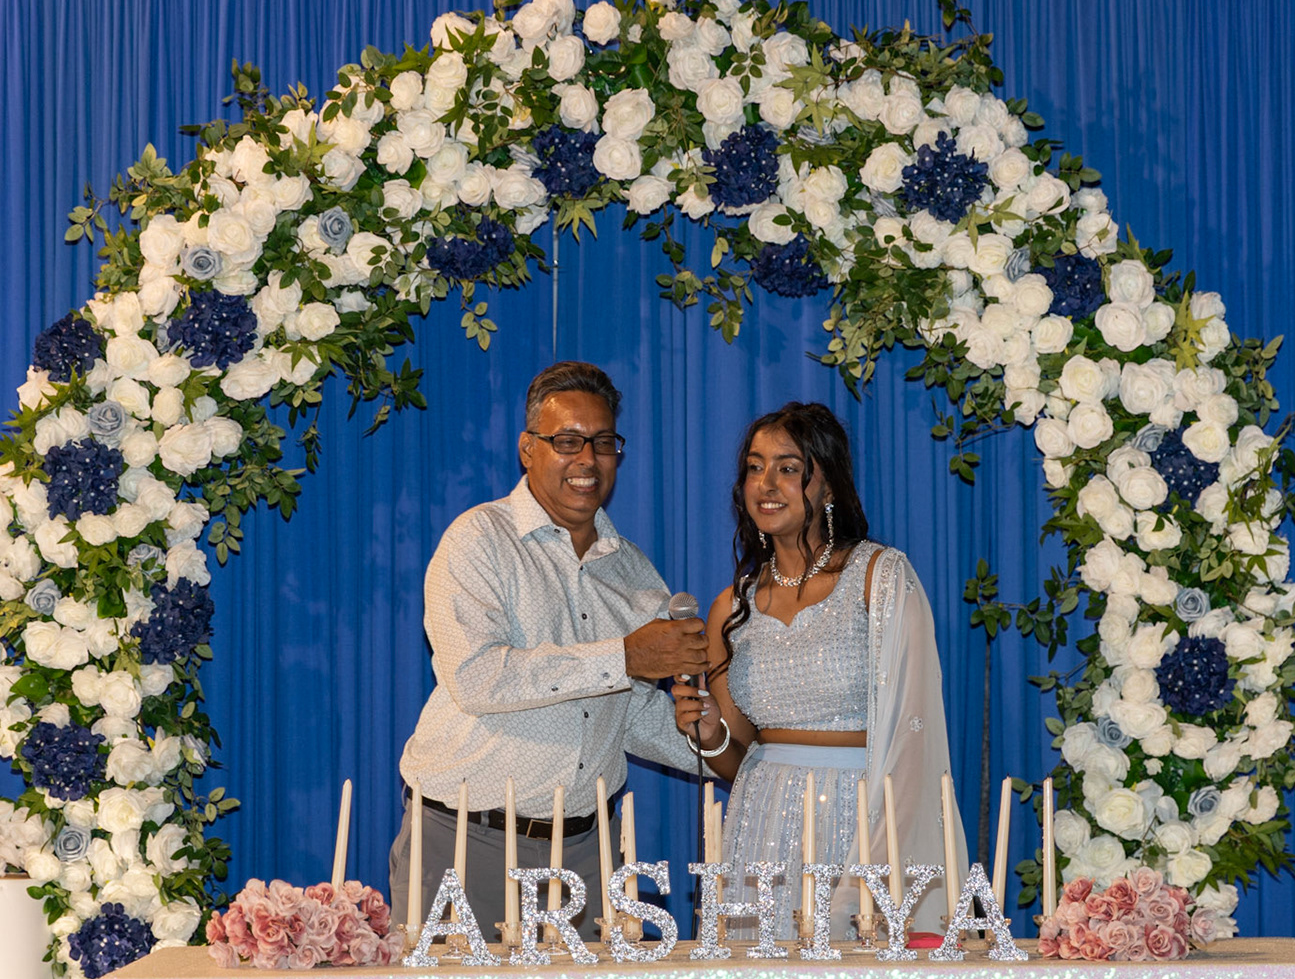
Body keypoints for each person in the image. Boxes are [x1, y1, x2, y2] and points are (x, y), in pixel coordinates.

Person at [390, 362, 720, 939]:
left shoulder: (634, 571)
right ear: (528, 449)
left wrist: (716, 744)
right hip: (467, 838)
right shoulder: (478, 539)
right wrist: (625, 657)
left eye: (603, 442)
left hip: (588, 850)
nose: (587, 459)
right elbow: (478, 678)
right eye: (567, 441)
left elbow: (624, 713)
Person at [674, 402, 966, 938]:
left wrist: (880, 849)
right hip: (762, 823)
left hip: (862, 816)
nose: (767, 483)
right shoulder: (729, 607)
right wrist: (710, 736)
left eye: (788, 468)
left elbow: (914, 739)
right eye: (755, 467)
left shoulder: (880, 577)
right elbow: (737, 758)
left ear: (828, 486)